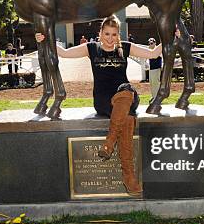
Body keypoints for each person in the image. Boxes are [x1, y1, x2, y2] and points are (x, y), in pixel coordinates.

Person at [35, 15, 162, 197]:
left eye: (114, 35)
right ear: (100, 33)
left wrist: (171, 37)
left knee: (126, 92)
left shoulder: (125, 47)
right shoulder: (91, 48)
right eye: (107, 34)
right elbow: (63, 53)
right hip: (103, 100)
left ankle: (110, 143)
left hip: (126, 96)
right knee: (126, 119)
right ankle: (128, 175)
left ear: (118, 35)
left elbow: (153, 53)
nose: (110, 38)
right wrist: (45, 39)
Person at [147, 38, 162, 102]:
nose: (150, 45)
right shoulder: (150, 50)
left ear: (155, 43)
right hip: (151, 69)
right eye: (149, 43)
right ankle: (154, 97)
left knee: (156, 84)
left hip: (156, 69)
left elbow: (160, 58)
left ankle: (156, 98)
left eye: (151, 43)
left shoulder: (157, 50)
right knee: (152, 84)